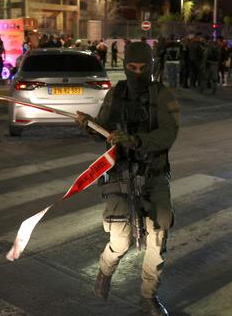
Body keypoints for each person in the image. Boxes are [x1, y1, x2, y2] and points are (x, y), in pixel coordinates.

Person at [76, 42, 180, 316]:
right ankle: (104, 271)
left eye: (143, 68)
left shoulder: (162, 95)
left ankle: (148, 298)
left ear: (152, 67)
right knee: (120, 241)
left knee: (157, 241)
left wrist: (135, 140)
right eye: (132, 68)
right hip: (121, 177)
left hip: (154, 178)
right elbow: (104, 128)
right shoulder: (116, 94)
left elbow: (168, 134)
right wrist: (90, 126)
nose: (137, 72)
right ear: (125, 67)